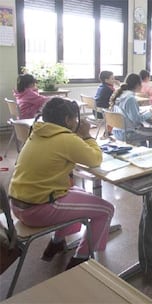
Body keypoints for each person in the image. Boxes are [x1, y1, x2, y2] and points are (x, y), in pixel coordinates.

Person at [8, 97, 114, 270]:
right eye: (74, 118)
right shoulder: (65, 138)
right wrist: (87, 136)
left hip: (18, 204)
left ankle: (56, 243)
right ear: (67, 120)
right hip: (37, 209)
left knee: (77, 192)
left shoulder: (37, 131)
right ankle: (80, 259)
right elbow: (95, 159)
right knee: (106, 210)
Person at [109, 73, 152, 147]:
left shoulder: (120, 95)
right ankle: (150, 155)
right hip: (128, 133)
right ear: (137, 85)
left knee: (145, 131)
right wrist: (150, 113)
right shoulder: (130, 98)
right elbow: (136, 119)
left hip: (117, 131)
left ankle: (143, 151)